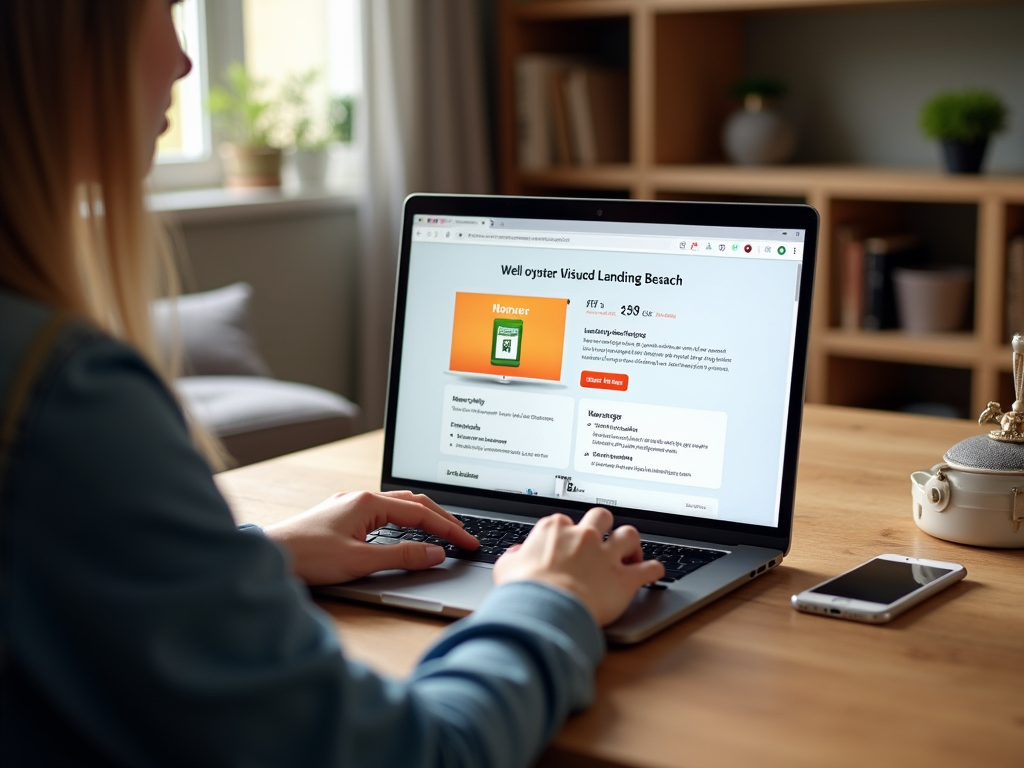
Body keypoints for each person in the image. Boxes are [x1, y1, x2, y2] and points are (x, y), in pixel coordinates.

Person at [0, 2, 665, 766]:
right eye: (167, 12)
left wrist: (247, 560)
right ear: (63, 44)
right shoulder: (68, 404)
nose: (185, 61)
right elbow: (414, 754)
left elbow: (66, 577)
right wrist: (553, 601)